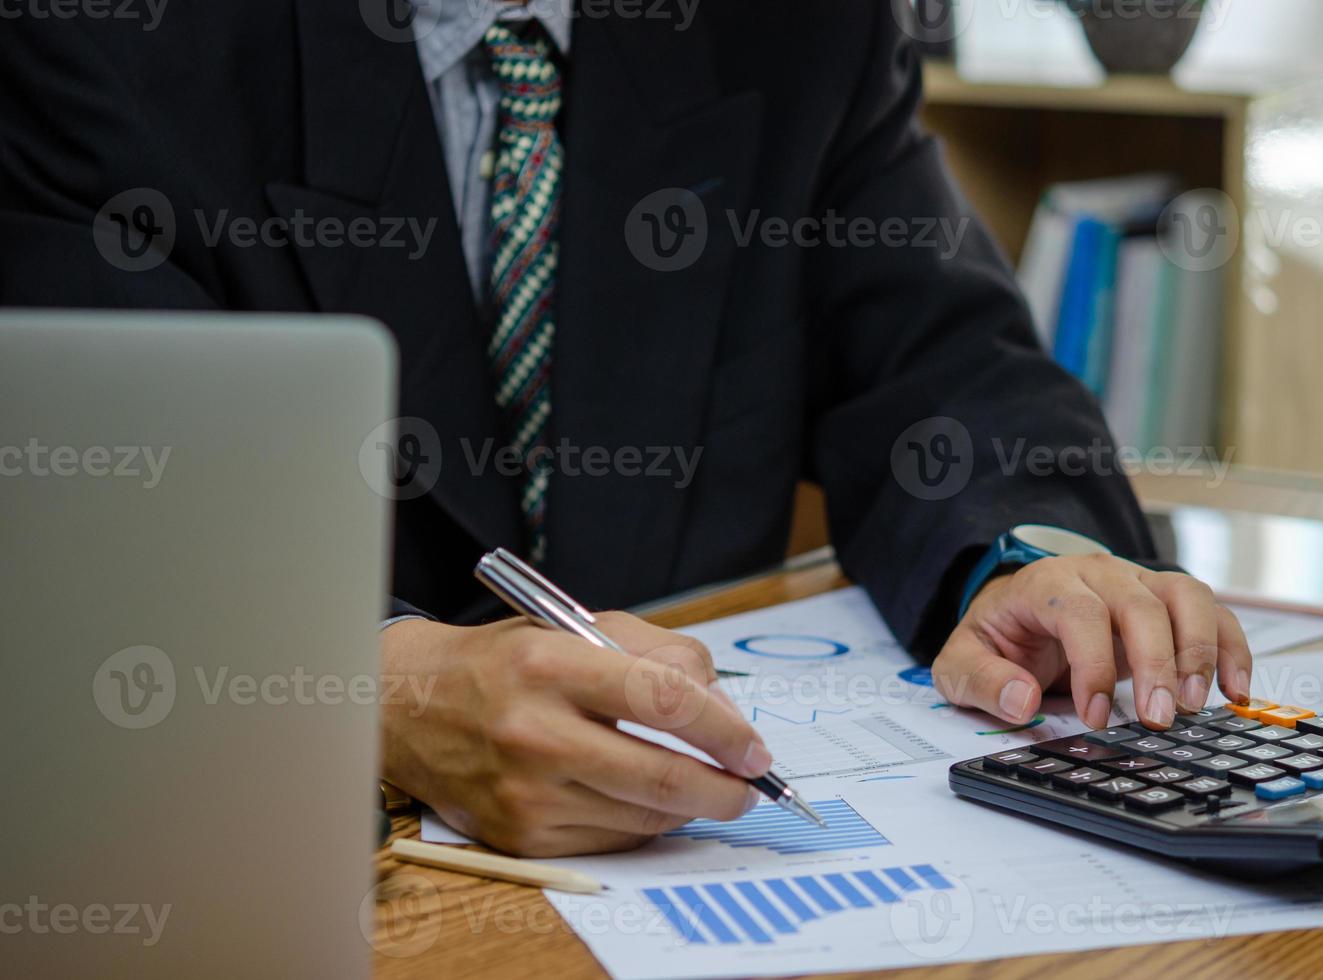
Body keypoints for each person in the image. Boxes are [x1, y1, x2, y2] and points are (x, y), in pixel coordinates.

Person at [0, 0, 1251, 856]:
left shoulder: (796, 27)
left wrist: (1018, 552)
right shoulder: (102, 43)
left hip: (684, 876)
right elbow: (80, 524)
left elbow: (942, 357)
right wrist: (369, 689)